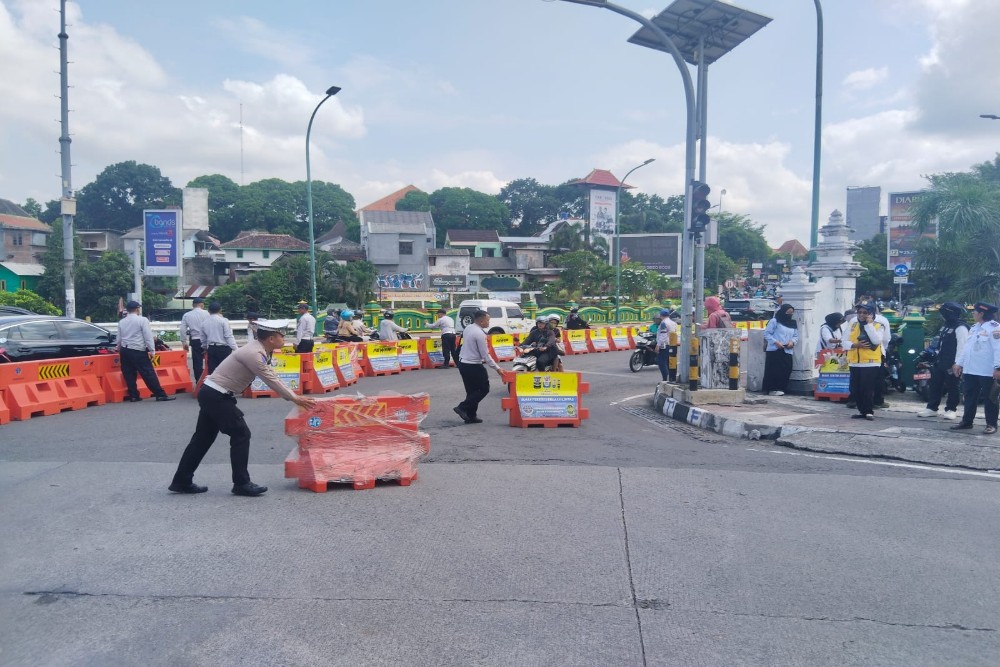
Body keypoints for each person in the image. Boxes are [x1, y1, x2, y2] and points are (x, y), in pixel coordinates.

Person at [169, 319, 316, 496]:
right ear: (271, 338)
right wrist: (294, 398)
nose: (284, 338)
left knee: (202, 439)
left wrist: (293, 396)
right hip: (217, 396)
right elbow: (271, 379)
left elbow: (271, 375)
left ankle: (181, 481)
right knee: (240, 433)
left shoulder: (259, 349)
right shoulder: (254, 353)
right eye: (281, 335)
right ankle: (241, 483)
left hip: (213, 394)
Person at [951, 302, 1000, 435]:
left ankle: (991, 424)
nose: (973, 313)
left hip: (987, 370)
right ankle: (967, 422)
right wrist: (959, 363)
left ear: (982, 313)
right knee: (969, 397)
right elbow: (967, 348)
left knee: (991, 398)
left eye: (975, 312)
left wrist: (998, 368)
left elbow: (998, 349)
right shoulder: (974, 328)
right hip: (970, 369)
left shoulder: (994, 328)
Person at [117, 300, 176, 403]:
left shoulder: (122, 322)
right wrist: (152, 350)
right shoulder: (142, 320)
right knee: (148, 373)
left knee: (129, 374)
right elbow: (148, 336)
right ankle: (160, 394)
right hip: (138, 350)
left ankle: (134, 396)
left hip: (125, 350)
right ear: (137, 309)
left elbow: (119, 338)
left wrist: (118, 349)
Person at [917, 302, 968, 420]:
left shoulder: (961, 327)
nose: (942, 315)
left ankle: (951, 409)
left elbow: (962, 346)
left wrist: (958, 363)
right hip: (940, 360)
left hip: (952, 362)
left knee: (952, 386)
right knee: (935, 384)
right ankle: (932, 408)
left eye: (944, 312)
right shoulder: (946, 325)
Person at [454, 309, 504, 424]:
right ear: (481, 321)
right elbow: (485, 355)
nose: (488, 323)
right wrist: (498, 368)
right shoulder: (480, 334)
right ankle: (462, 407)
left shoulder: (469, 328)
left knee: (471, 391)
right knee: (483, 389)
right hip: (473, 365)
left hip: (463, 363)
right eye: (487, 320)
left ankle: (471, 416)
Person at [843, 302, 885, 420]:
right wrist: (855, 345)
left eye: (865, 312)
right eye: (859, 312)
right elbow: (844, 342)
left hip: (870, 362)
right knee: (855, 389)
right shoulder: (853, 325)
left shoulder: (878, 325)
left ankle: (868, 411)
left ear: (871, 314)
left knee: (867, 388)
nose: (861, 315)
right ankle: (861, 411)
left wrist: (869, 324)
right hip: (855, 361)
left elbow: (876, 340)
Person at [762, 303, 799, 396]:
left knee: (786, 369)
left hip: (787, 349)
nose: (789, 315)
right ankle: (772, 389)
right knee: (774, 370)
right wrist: (776, 342)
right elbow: (767, 334)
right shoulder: (774, 321)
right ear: (783, 312)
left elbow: (796, 336)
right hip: (775, 349)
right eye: (788, 312)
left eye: (791, 313)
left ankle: (781, 388)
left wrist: (792, 342)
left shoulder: (793, 323)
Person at [179, 297, 209, 383]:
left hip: (195, 340)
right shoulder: (207, 313)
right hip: (207, 340)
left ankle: (199, 382)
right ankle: (210, 382)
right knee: (209, 362)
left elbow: (182, 329)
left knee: (197, 363)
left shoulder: (187, 315)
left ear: (193, 305)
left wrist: (184, 342)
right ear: (202, 305)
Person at [201, 302, 237, 374]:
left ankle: (212, 384)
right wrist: (235, 348)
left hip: (211, 348)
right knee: (225, 370)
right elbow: (228, 336)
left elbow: (203, 338)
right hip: (223, 349)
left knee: (212, 371)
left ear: (208, 311)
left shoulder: (204, 322)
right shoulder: (224, 321)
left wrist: (205, 348)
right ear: (220, 310)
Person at [655, 308, 678, 381]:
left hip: (664, 345)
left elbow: (663, 335)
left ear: (661, 315)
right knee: (669, 362)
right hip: (672, 344)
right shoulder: (673, 323)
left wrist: (658, 345)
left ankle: (665, 379)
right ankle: (671, 378)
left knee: (661, 362)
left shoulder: (663, 323)